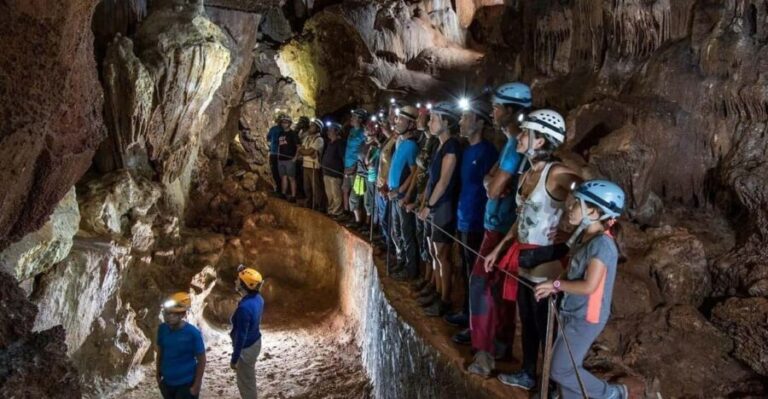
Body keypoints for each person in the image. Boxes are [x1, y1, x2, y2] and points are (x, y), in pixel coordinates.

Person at [484, 108, 582, 389]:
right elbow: (521, 219)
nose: (518, 140)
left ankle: (552, 383)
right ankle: (528, 373)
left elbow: (586, 195)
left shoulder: (557, 174)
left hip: (544, 260)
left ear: (540, 141)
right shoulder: (528, 173)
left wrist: (568, 233)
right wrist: (499, 249)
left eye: (524, 135)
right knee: (526, 320)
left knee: (545, 326)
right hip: (523, 256)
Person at [534, 180, 629, 399]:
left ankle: (612, 394)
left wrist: (556, 285)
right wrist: (556, 284)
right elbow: (573, 271)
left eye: (578, 203)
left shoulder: (603, 246)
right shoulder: (584, 236)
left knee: (560, 369)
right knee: (568, 367)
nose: (571, 207)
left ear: (595, 212)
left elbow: (589, 286)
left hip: (586, 317)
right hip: (572, 310)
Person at [464, 83, 530, 376]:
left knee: (481, 286)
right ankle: (501, 344)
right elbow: (491, 181)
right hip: (502, 227)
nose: (493, 111)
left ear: (513, 111)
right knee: (501, 292)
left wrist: (492, 183)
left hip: (503, 230)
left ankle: (485, 352)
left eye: (498, 106)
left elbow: (494, 189)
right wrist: (492, 182)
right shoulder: (509, 143)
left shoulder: (517, 144)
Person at [443, 99, 499, 329]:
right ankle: (467, 313)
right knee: (466, 270)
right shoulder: (467, 151)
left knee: (477, 276)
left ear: (479, 122)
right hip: (464, 218)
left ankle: (476, 323)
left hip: (477, 221)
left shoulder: (487, 152)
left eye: (466, 118)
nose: (461, 122)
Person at [416, 101, 462, 317]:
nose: (430, 122)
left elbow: (444, 182)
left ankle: (445, 299)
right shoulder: (440, 146)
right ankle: (436, 290)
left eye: (434, 119)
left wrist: (430, 206)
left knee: (442, 254)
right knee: (434, 251)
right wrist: (425, 203)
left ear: (446, 122)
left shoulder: (451, 147)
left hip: (443, 206)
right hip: (435, 205)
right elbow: (432, 181)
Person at [408, 105, 439, 300]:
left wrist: (425, 201)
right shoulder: (424, 140)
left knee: (431, 244)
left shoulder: (435, 142)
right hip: (421, 196)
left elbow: (432, 175)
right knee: (423, 239)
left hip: (429, 199)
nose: (418, 120)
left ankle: (432, 283)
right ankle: (427, 279)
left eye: (421, 117)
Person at [387, 105, 421, 281]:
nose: (397, 121)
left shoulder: (412, 145)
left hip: (401, 196)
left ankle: (411, 270)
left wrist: (401, 191)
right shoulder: (402, 142)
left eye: (401, 119)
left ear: (411, 124)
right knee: (396, 231)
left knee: (406, 233)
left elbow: (414, 172)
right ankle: (401, 260)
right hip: (394, 194)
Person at [156, 292, 206, 399]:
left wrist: (196, 386)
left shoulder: (193, 334)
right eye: (166, 313)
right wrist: (158, 375)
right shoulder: (162, 329)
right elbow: (160, 351)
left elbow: (201, 360)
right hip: (167, 383)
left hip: (186, 384)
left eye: (172, 314)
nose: (168, 317)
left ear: (183, 315)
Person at [231, 265, 265, 399]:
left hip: (247, 348)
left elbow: (241, 336)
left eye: (238, 280)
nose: (235, 281)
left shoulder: (244, 308)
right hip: (256, 341)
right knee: (248, 378)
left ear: (244, 285)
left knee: (246, 383)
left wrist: (234, 358)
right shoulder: (258, 299)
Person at [375, 106, 399, 259]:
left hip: (388, 186)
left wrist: (386, 185)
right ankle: (387, 243)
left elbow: (394, 164)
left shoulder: (399, 141)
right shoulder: (390, 138)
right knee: (383, 218)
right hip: (381, 182)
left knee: (388, 221)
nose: (391, 119)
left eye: (394, 116)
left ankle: (392, 250)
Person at [343, 109, 368, 219]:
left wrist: (355, 166)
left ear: (360, 119)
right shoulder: (352, 131)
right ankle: (350, 216)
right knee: (346, 190)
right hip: (348, 166)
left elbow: (363, 151)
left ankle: (358, 221)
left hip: (357, 168)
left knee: (356, 195)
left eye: (354, 117)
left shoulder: (363, 133)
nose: (351, 118)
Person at [299, 118, 325, 211]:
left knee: (316, 188)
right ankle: (309, 204)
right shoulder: (307, 138)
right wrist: (306, 152)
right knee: (307, 187)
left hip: (314, 166)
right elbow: (301, 150)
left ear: (318, 128)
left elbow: (309, 151)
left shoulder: (319, 140)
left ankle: (318, 206)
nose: (310, 127)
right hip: (305, 165)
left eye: (313, 126)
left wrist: (305, 151)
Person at [322, 122, 346, 218]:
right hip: (327, 172)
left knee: (336, 194)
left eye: (331, 130)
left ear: (337, 131)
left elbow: (343, 157)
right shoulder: (330, 143)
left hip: (335, 173)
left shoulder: (340, 143)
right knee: (330, 194)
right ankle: (331, 210)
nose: (328, 132)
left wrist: (344, 172)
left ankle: (337, 212)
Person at [277, 116, 300, 202]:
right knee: (283, 177)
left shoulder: (293, 134)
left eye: (286, 122)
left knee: (291, 178)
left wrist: (295, 158)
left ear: (289, 123)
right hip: (281, 159)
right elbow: (280, 146)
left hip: (290, 159)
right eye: (283, 122)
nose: (284, 124)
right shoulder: (280, 134)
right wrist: (278, 157)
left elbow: (298, 146)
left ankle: (293, 196)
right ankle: (283, 194)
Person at [267, 115, 291, 195]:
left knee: (275, 172)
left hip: (275, 153)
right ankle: (282, 190)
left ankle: (280, 189)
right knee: (282, 173)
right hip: (282, 154)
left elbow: (268, 138)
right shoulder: (285, 130)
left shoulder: (273, 129)